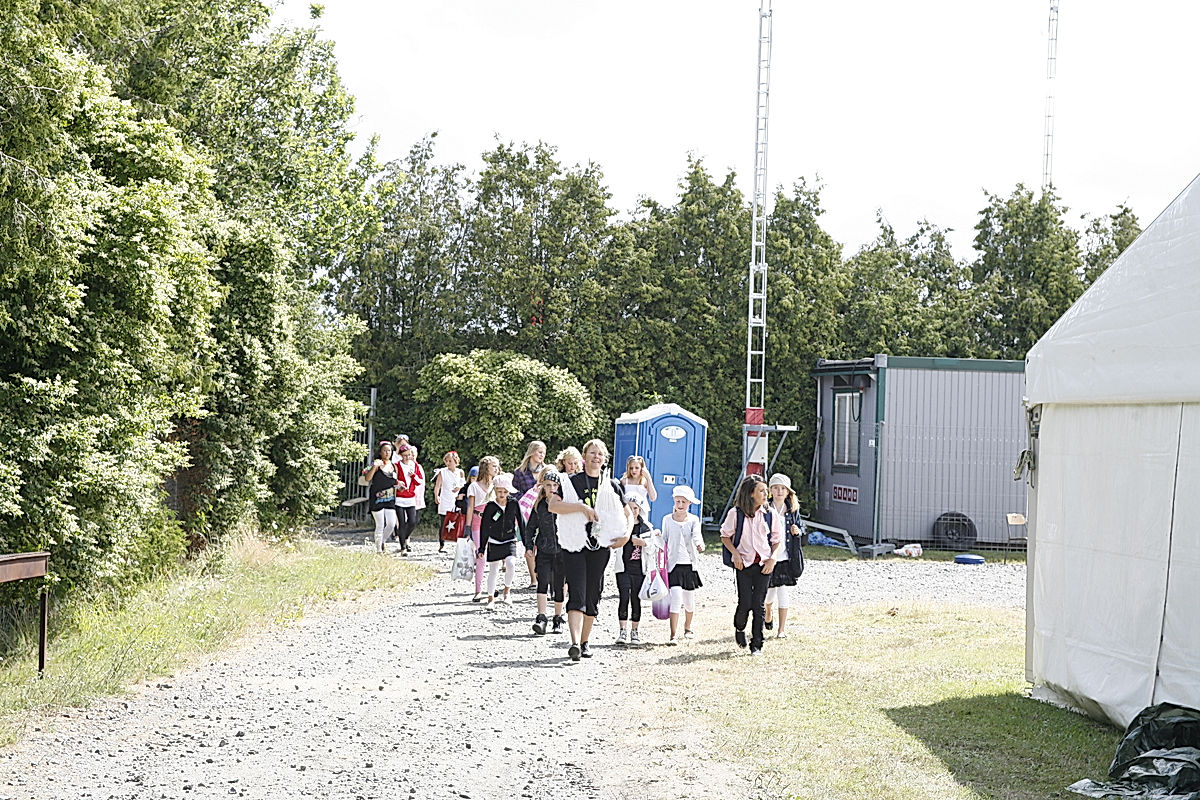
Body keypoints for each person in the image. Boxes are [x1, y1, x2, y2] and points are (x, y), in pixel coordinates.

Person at [548, 439, 633, 661]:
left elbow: (629, 513)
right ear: (584, 457)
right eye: (592, 453)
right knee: (576, 589)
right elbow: (553, 506)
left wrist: (626, 535)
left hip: (601, 545)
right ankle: (574, 642)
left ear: (604, 459)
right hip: (575, 544)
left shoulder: (612, 485)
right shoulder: (569, 481)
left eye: (600, 454)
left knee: (593, 592)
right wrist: (581, 507)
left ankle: (585, 641)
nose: (596, 457)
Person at [720, 474, 784, 656]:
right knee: (745, 603)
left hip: (764, 564)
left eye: (766, 491)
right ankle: (739, 628)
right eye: (761, 491)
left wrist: (772, 558)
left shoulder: (770, 514)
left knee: (759, 604)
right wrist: (735, 553)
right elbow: (725, 535)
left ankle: (757, 643)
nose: (766, 494)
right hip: (744, 566)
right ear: (750, 494)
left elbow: (777, 540)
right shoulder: (736, 514)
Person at [661, 485, 705, 644]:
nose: (680, 505)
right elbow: (663, 539)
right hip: (673, 565)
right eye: (678, 501)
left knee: (689, 600)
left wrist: (700, 545)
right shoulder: (667, 519)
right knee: (675, 598)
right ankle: (673, 635)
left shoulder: (693, 520)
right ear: (673, 501)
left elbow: (697, 536)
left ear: (689, 504)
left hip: (689, 565)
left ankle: (688, 627)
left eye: (684, 502)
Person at [764, 473, 804, 639]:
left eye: (783, 488)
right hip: (769, 557)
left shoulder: (792, 511)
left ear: (788, 492)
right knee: (769, 594)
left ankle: (781, 630)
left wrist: (798, 532)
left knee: (783, 593)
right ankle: (767, 612)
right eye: (775, 488)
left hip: (786, 558)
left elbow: (802, 529)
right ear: (770, 490)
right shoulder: (766, 509)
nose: (779, 491)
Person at [527, 469, 566, 635]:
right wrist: (529, 546)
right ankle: (541, 617)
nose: (551, 488)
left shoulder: (564, 505)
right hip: (544, 548)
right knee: (542, 581)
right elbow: (530, 527)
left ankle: (557, 617)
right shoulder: (540, 506)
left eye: (555, 485)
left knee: (559, 585)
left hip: (562, 550)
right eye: (548, 485)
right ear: (543, 486)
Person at [478, 473, 523, 609]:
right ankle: (491, 598)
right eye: (499, 491)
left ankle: (507, 592)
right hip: (494, 540)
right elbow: (484, 527)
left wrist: (527, 544)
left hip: (510, 538)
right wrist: (481, 548)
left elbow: (521, 522)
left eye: (505, 491)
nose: (502, 494)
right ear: (495, 491)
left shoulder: (514, 503)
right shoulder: (490, 507)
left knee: (511, 563)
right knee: (494, 570)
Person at [614, 492, 652, 646]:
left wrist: (643, 543)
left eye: (635, 508)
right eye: (629, 508)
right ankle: (622, 631)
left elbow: (653, 547)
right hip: (623, 568)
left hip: (639, 569)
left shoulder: (645, 527)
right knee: (624, 597)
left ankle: (635, 631)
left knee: (636, 599)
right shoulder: (620, 525)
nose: (633, 511)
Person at [512, 441, 547, 588]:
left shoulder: (546, 471)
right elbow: (513, 491)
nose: (541, 455)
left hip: (543, 511)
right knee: (529, 544)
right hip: (525, 512)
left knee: (543, 543)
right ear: (532, 452)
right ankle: (534, 578)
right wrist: (526, 496)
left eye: (543, 452)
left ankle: (543, 575)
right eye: (539, 452)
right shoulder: (519, 472)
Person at [465, 456, 499, 602]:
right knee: (481, 555)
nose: (496, 469)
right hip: (478, 521)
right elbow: (470, 507)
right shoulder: (474, 486)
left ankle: (491, 587)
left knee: (495, 555)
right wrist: (467, 526)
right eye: (494, 466)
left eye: (497, 466)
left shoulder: (497, 485)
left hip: (493, 522)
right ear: (486, 468)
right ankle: (478, 590)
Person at [363, 441, 399, 554]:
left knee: (391, 523)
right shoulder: (376, 464)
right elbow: (367, 478)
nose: (387, 453)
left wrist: (399, 485)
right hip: (377, 498)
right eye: (385, 450)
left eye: (389, 450)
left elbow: (394, 481)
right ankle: (378, 550)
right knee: (380, 524)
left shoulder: (394, 466)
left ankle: (382, 541)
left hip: (390, 498)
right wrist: (374, 467)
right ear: (380, 452)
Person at [394, 443, 425, 554]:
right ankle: (403, 547)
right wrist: (398, 484)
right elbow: (393, 480)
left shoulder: (414, 465)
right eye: (404, 455)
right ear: (401, 455)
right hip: (399, 498)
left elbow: (419, 481)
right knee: (401, 522)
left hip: (410, 498)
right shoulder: (396, 465)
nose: (407, 458)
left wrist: (413, 476)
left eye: (409, 455)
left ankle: (404, 536)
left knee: (412, 521)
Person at [433, 451, 466, 553]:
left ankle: (459, 542)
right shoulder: (442, 472)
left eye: (450, 461)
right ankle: (442, 544)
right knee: (444, 522)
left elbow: (464, 485)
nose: (448, 463)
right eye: (446, 461)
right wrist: (436, 495)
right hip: (445, 499)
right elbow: (437, 486)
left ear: (456, 461)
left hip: (456, 500)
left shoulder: (460, 472)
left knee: (459, 520)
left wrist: (459, 488)